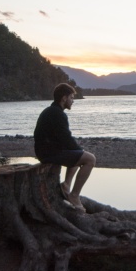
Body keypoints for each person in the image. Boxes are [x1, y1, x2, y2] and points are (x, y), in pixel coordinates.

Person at [33, 83, 96, 212]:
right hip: (49, 153)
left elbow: (62, 138)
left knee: (78, 155)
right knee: (90, 159)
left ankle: (66, 186)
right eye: (71, 98)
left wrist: (78, 151)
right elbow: (66, 139)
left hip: (46, 151)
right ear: (64, 98)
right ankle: (74, 196)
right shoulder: (57, 114)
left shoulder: (52, 111)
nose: (73, 101)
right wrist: (80, 151)